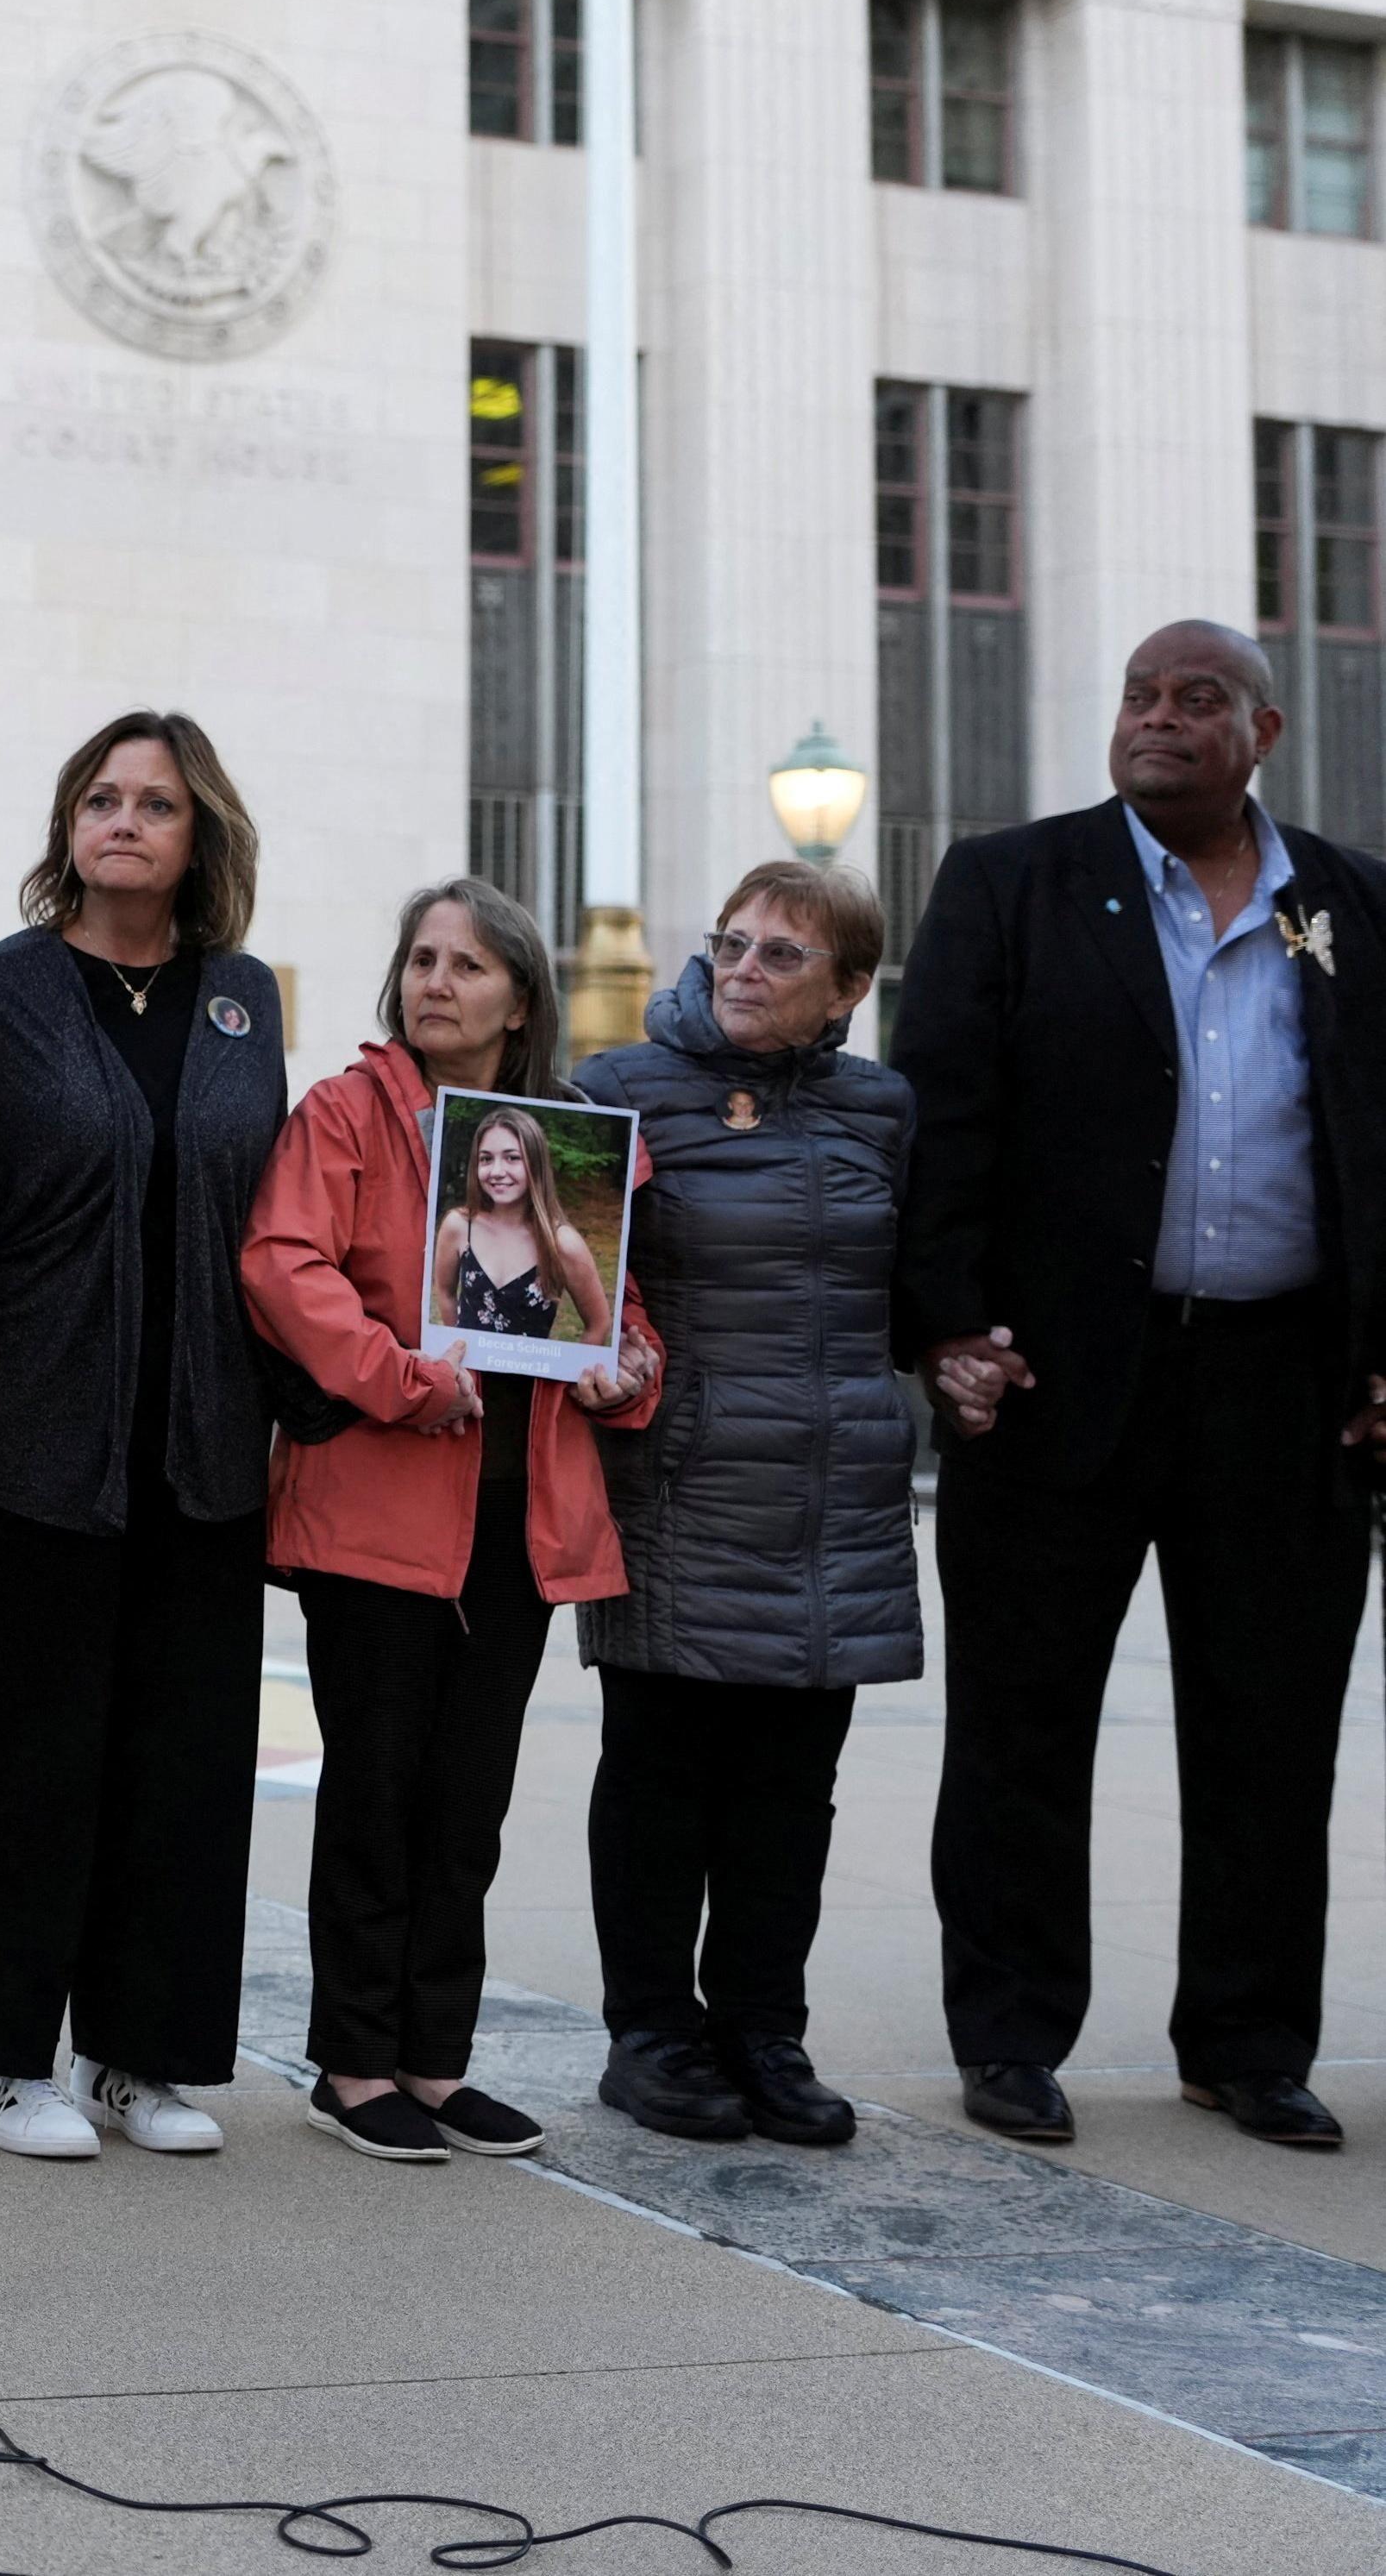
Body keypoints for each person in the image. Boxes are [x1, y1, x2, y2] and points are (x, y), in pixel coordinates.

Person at [894, 618, 1386, 2152]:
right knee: (1023, 1723)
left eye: (1194, 700)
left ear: (1264, 729)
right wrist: (949, 1326)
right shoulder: (1012, 881)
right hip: (1058, 1378)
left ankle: (1245, 2040)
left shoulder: (1351, 903)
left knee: (1270, 1727)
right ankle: (1015, 2031)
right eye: (1137, 695)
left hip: (1286, 1384)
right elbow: (942, 1117)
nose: (1155, 719)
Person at [0, 713, 285, 2164]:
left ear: (202, 837)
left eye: (157, 803)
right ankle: (0, 2060)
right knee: (26, 1755)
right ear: (69, 824)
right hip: (28, 1430)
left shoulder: (242, 997)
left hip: (202, 1433)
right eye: (101, 798)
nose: (124, 820)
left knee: (184, 1757)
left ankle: (142, 2052)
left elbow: (266, 1204)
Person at [242, 876, 657, 2164]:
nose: (435, 981)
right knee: (374, 1793)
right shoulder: (349, 1112)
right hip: (376, 1513)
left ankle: (435, 2062)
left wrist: (630, 1369)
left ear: (518, 996)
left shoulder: (565, 1138)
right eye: (420, 957)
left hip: (518, 1525)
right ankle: (353, 2064)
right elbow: (282, 1263)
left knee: (467, 1803)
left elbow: (624, 1315)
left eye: (467, 965)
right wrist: (398, 1374)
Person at [571, 861, 913, 2146]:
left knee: (791, 1787)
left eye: (783, 954)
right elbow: (566, 1283)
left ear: (848, 991)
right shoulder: (619, 1091)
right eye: (733, 943)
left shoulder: (884, 1110)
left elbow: (920, 1283)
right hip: (682, 1488)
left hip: (835, 1497)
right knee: (661, 1772)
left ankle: (765, 2029)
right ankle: (651, 2032)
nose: (745, 968)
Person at [430, 1107, 602, 1344]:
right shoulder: (458, 1227)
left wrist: (570, 1380)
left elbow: (598, 1325)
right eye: (486, 1159)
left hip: (530, 1380)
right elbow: (446, 1294)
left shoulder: (562, 1242)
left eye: (512, 1158)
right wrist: (458, 1351)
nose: (497, 1171)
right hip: (468, 1378)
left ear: (535, 1163)